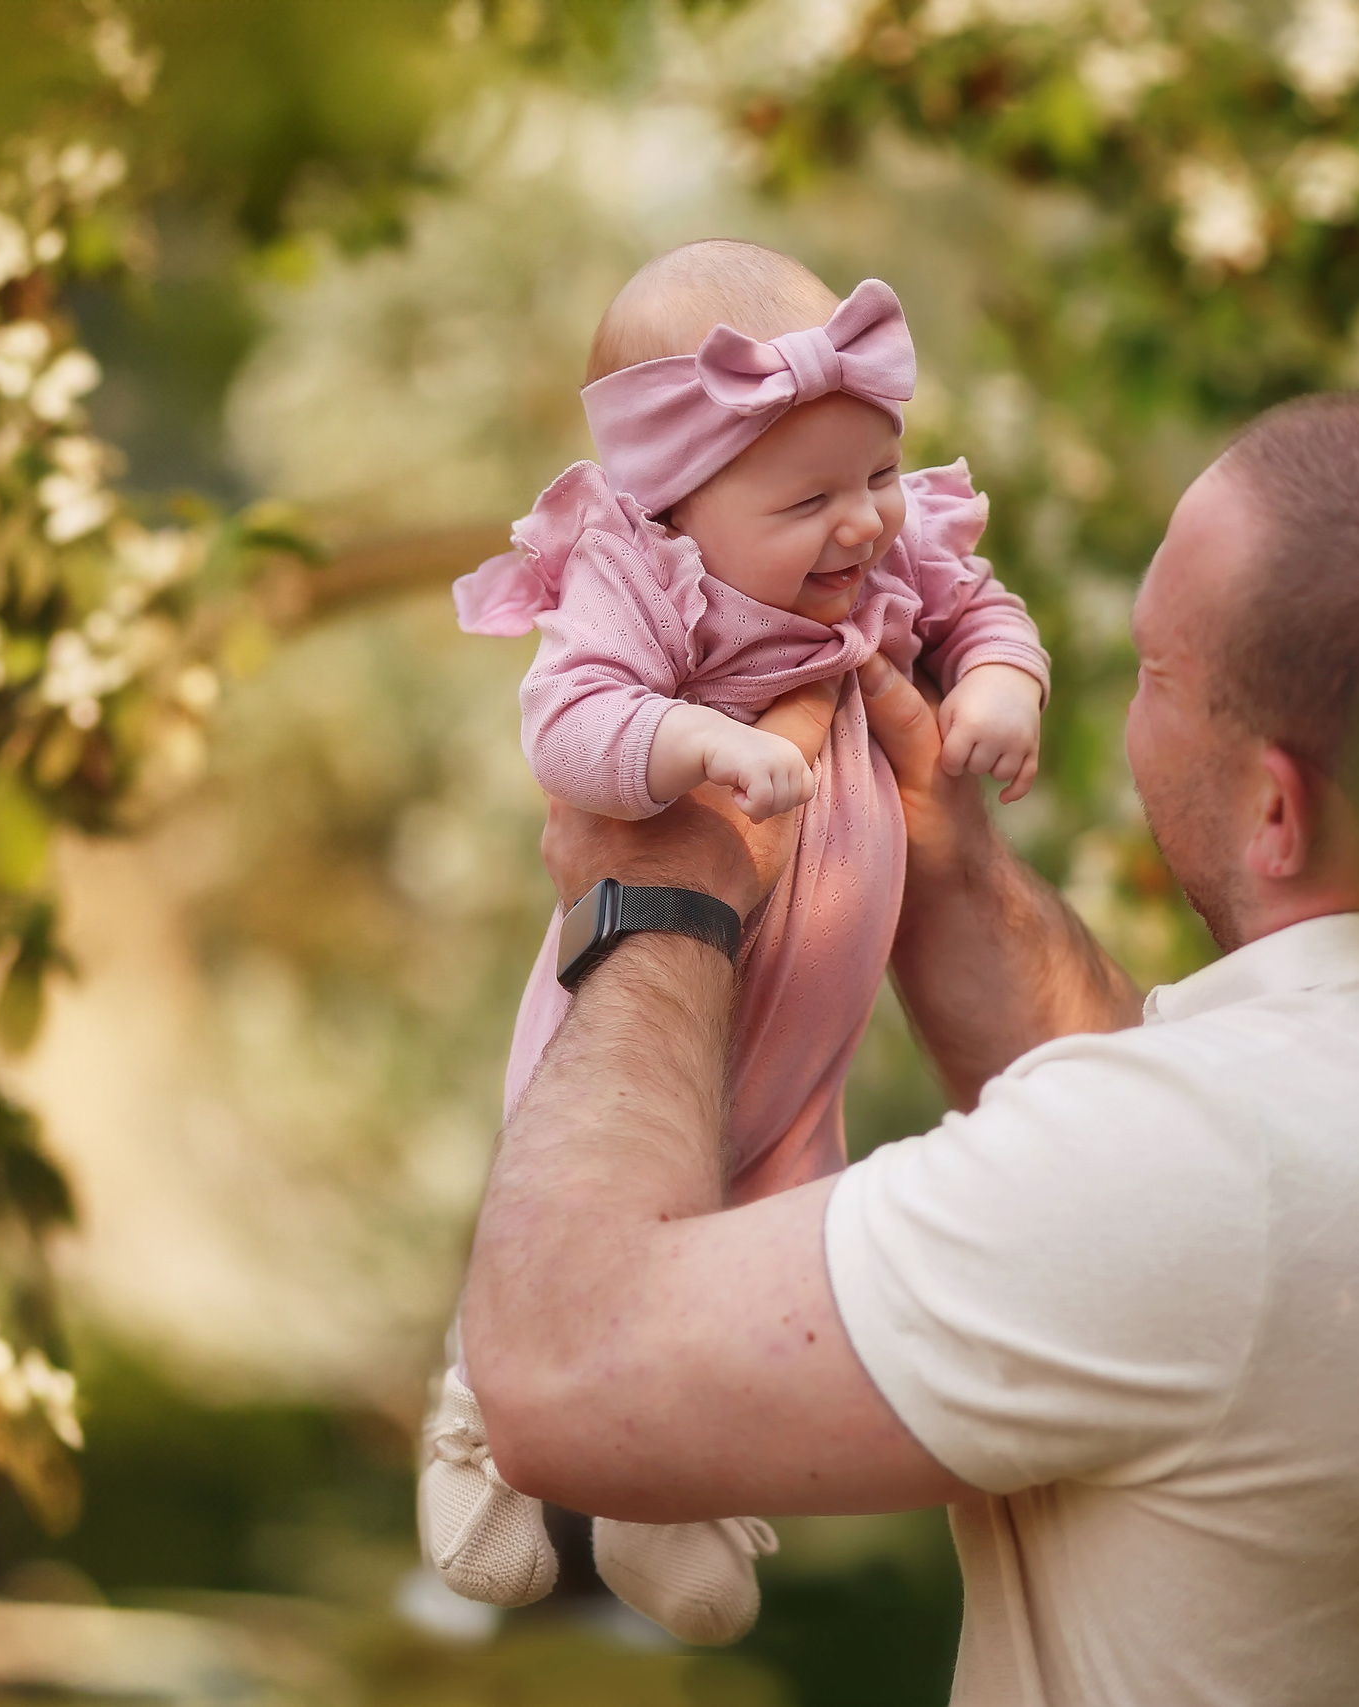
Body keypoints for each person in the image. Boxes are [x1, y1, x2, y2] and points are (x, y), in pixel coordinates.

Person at [463, 390, 1359, 1703]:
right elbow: (1185, 1148)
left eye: (1153, 671)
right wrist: (943, 865)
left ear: (1276, 811)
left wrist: (663, 897)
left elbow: (563, 1371)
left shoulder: (1220, 1181)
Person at [419, 241, 1048, 1640]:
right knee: (572, 1186)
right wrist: (686, 737)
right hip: (656, 986)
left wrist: (1001, 682)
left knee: (761, 1231)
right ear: (676, 509)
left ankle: (671, 1479)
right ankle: (477, 1407)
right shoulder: (646, 590)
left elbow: (984, 606)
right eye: (809, 499)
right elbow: (565, 721)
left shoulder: (888, 562)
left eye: (878, 477)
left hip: (815, 1013)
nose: (866, 528)